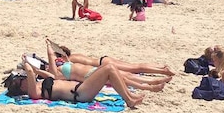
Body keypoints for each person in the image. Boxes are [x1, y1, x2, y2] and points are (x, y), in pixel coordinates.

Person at [5, 55, 145, 108]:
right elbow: (29, 73)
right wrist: (25, 64)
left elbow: (49, 76)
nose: (23, 78)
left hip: (82, 88)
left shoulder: (39, 85)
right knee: (108, 68)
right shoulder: (33, 93)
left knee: (110, 69)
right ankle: (129, 99)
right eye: (20, 80)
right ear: (21, 88)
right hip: (80, 94)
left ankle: (130, 97)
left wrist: (36, 71)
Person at [36, 40, 167, 92]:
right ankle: (156, 77)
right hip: (100, 65)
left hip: (100, 66)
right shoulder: (68, 63)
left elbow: (52, 59)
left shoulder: (69, 61)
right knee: (129, 73)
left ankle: (155, 79)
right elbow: (51, 59)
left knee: (130, 73)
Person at [46, 38, 174, 76]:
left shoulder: (70, 60)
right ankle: (160, 67)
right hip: (104, 59)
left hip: (103, 64)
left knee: (135, 68)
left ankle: (162, 71)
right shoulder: (74, 56)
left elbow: (69, 68)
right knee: (134, 66)